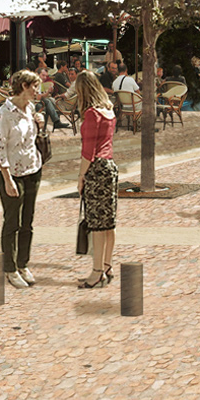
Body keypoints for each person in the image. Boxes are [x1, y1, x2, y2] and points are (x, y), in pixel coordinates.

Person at [0, 70, 48, 289]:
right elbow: (0, 149)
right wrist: (7, 179)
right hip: (11, 173)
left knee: (28, 222)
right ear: (24, 86)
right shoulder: (3, 114)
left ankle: (23, 264)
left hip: (32, 169)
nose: (37, 91)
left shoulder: (30, 108)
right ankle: (10, 268)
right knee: (12, 222)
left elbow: (30, 139)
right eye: (35, 86)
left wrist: (39, 123)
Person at [70, 74, 119, 288]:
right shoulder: (109, 109)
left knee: (98, 225)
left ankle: (97, 272)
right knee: (109, 222)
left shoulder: (91, 114)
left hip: (96, 169)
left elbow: (87, 152)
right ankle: (107, 266)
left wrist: (81, 177)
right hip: (110, 167)